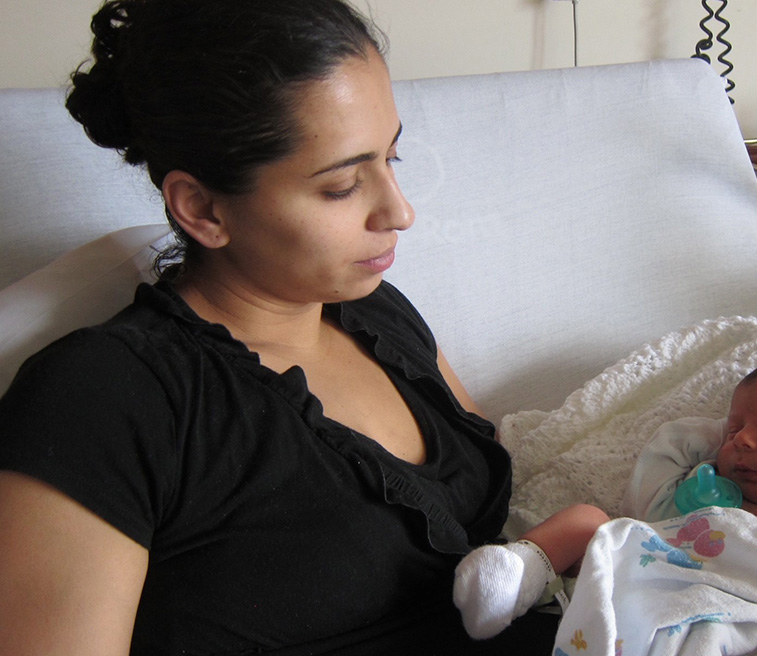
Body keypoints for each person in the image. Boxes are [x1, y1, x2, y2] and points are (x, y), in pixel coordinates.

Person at [0, 2, 560, 654]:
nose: (399, 211)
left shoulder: (380, 315)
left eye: (393, 158)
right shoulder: (108, 398)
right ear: (203, 209)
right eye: (343, 185)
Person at [454, 348, 757, 639]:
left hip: (710, 623)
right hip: (616, 581)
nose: (744, 441)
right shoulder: (710, 496)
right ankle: (506, 581)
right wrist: (708, 436)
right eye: (734, 428)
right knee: (589, 519)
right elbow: (641, 508)